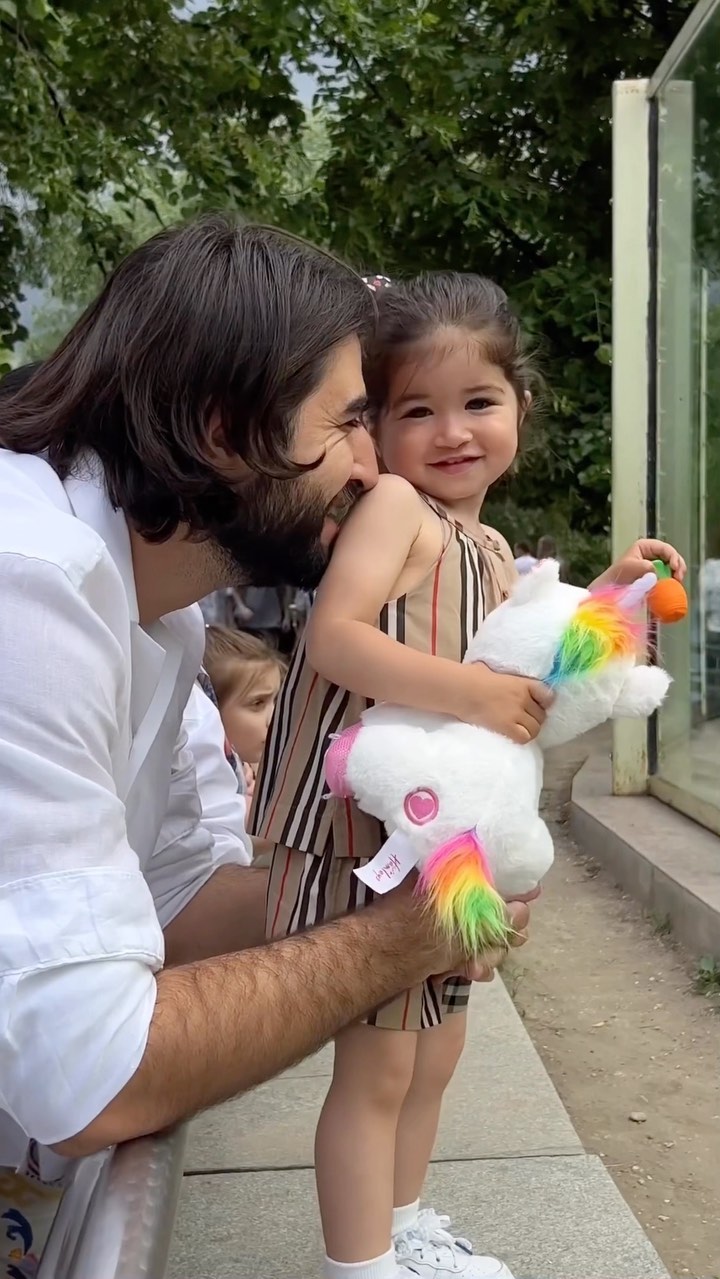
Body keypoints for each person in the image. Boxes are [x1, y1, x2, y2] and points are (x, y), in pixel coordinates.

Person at [0, 216, 535, 1254]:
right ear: (224, 430)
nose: (375, 466)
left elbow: (179, 904)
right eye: (350, 422)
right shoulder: (32, 586)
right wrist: (408, 933)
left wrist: (424, 873)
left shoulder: (157, 613)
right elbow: (91, 1077)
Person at [251, 271, 686, 1279]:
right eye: (417, 410)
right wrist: (477, 696)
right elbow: (335, 638)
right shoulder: (396, 507)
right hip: (359, 825)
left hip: (440, 836)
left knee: (437, 1045)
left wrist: (612, 594)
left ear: (520, 406)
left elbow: (528, 663)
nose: (451, 431)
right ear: (376, 423)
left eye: (478, 402)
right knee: (380, 1062)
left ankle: (401, 1227)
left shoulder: (487, 544)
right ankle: (360, 1264)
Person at [203, 625, 286, 795]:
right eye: (257, 703)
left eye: (276, 700)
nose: (276, 717)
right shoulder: (207, 796)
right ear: (211, 707)